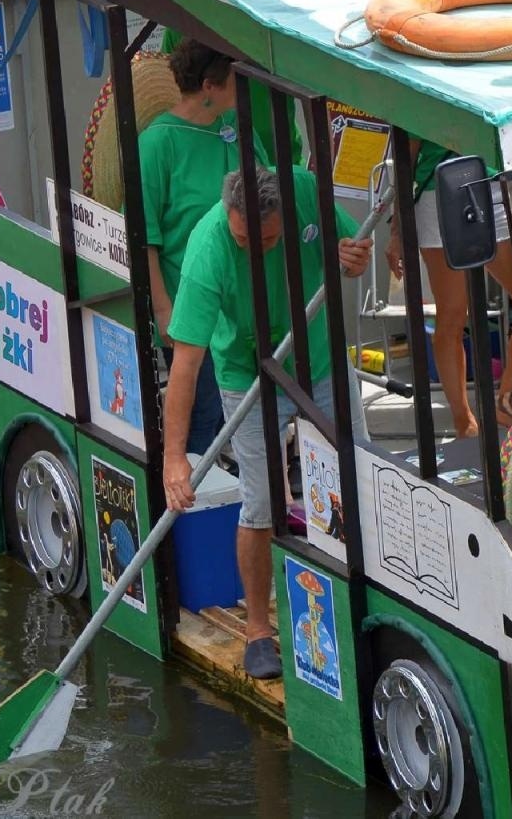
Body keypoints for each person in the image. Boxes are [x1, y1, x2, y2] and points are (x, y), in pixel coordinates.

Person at [162, 166, 371, 679]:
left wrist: (352, 259)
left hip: (318, 359)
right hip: (245, 373)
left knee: (359, 480)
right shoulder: (207, 250)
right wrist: (173, 459)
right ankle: (259, 629)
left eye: (270, 240)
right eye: (243, 240)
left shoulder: (302, 189)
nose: (255, 252)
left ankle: (365, 597)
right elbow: (185, 364)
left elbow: (350, 252)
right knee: (260, 503)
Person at [385, 137, 512, 438]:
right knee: (451, 317)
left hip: (497, 182)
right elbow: (405, 154)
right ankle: (464, 421)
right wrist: (397, 231)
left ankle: (504, 405)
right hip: (441, 189)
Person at [140, 38, 263, 455]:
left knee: (250, 416)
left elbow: (269, 193)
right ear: (211, 85)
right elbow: (144, 238)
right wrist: (164, 312)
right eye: (234, 80)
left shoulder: (235, 134)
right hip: (190, 309)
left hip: (244, 310)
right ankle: (196, 503)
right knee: (201, 415)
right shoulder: (157, 144)